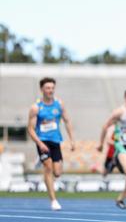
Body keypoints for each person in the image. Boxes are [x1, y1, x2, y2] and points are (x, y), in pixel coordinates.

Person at [27, 77, 76, 211]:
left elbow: (67, 121)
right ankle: (53, 200)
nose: (51, 90)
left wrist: (72, 140)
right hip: (42, 141)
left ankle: (43, 161)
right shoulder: (36, 108)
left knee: (58, 173)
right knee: (48, 168)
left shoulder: (59, 104)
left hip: (55, 141)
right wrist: (39, 143)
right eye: (48, 88)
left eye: (52, 88)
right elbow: (30, 129)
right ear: (42, 89)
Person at [97, 88, 126, 209]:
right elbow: (105, 126)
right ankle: (116, 161)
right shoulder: (119, 112)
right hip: (121, 145)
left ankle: (120, 199)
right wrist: (101, 144)